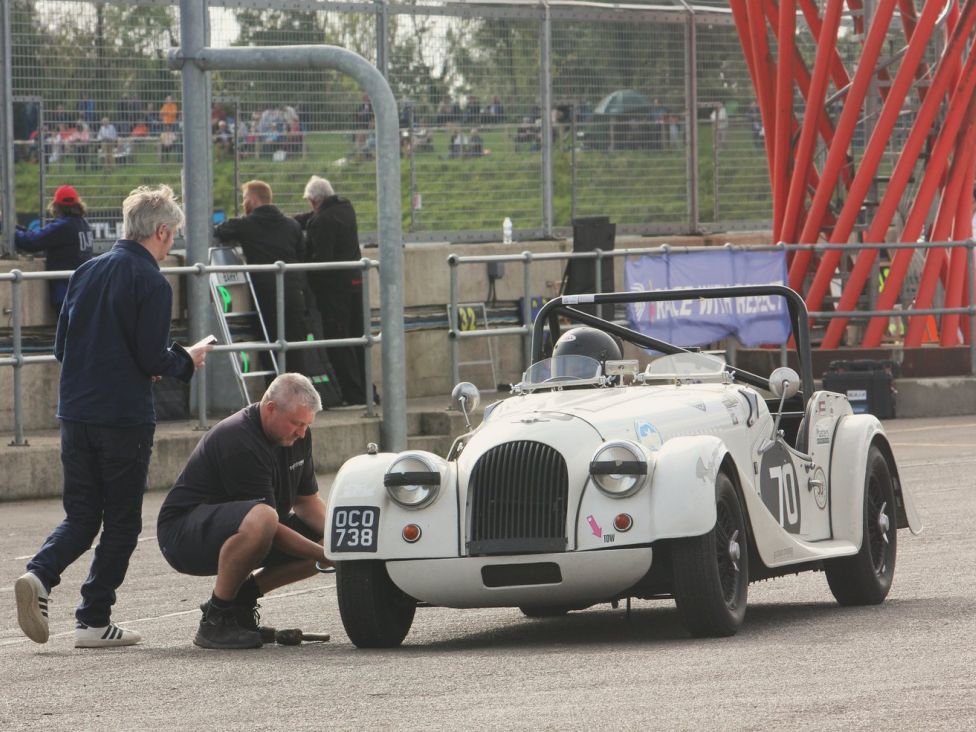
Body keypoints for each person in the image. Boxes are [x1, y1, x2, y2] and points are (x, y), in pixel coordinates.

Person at [14, 184, 212, 648]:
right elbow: (151, 357)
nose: (173, 243)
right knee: (122, 522)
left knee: (81, 516)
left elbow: (62, 347)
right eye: (174, 234)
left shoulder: (86, 271)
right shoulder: (151, 281)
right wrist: (188, 359)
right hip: (123, 418)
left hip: (76, 412)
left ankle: (40, 575)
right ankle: (93, 619)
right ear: (161, 231)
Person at [157, 373, 329, 649]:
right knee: (266, 518)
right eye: (296, 423)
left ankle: (240, 603)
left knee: (329, 539)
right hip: (183, 534)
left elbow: (307, 502)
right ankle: (216, 619)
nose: (302, 432)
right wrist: (324, 555)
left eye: (307, 425)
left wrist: (345, 543)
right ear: (271, 408)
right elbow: (267, 526)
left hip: (247, 525)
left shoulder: (297, 436)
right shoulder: (238, 438)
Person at [214, 180, 308, 376]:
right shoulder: (292, 225)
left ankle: (275, 397)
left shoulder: (247, 224)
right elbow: (302, 254)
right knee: (295, 346)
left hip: (267, 293)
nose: (243, 203)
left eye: (245, 198)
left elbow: (220, 231)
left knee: (270, 345)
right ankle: (299, 398)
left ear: (254, 200)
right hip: (294, 291)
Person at [295, 176, 370, 405]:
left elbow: (320, 261)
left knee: (339, 343)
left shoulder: (322, 221)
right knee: (359, 340)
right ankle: (367, 392)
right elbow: (315, 216)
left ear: (316, 200)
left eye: (310, 202)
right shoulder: (345, 209)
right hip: (355, 283)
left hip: (334, 292)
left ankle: (353, 394)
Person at [15, 185, 94, 311]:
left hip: (66, 293)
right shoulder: (83, 224)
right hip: (84, 290)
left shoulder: (63, 226)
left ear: (56, 205)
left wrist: (8, 228)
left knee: (68, 330)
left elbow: (30, 242)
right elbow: (35, 236)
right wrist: (13, 227)